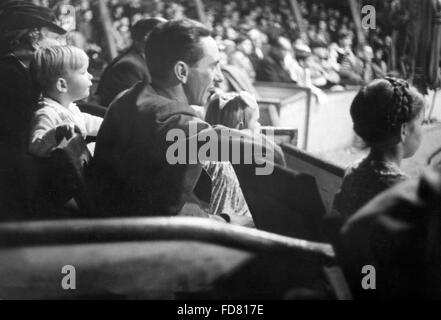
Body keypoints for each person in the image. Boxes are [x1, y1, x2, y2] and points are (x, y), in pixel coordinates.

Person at [91, 19, 272, 223]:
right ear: (182, 72)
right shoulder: (178, 122)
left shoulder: (126, 98)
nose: (219, 77)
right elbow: (170, 219)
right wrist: (229, 221)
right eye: (213, 66)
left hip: (117, 224)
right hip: (145, 240)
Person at [0, 1, 66, 219]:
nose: (59, 45)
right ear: (34, 37)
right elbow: (15, 143)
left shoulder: (21, 70)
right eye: (55, 38)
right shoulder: (10, 75)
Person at [332, 77, 425, 220]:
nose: (422, 130)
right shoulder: (406, 193)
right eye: (421, 122)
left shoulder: (352, 172)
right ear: (404, 130)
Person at [29, 45, 103, 158]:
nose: (90, 76)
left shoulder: (69, 108)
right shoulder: (47, 113)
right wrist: (55, 133)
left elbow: (87, 122)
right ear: (62, 85)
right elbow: (35, 146)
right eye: (83, 72)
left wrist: (111, 123)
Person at [94, 17, 166, 107]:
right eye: (162, 38)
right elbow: (133, 108)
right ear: (145, 38)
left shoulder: (143, 61)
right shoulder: (129, 67)